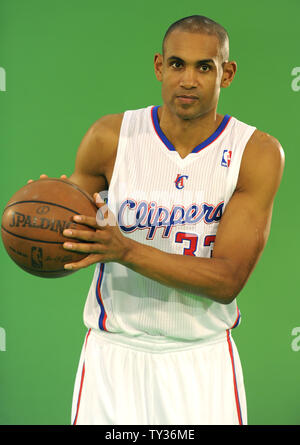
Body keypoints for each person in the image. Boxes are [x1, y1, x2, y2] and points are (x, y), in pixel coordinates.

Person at [35, 15, 285, 425]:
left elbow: (226, 280)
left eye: (204, 67)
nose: (188, 79)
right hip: (113, 356)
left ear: (228, 74)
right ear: (158, 66)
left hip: (200, 359)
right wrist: (46, 212)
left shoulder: (255, 153)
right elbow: (68, 240)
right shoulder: (110, 137)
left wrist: (125, 249)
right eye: (176, 64)